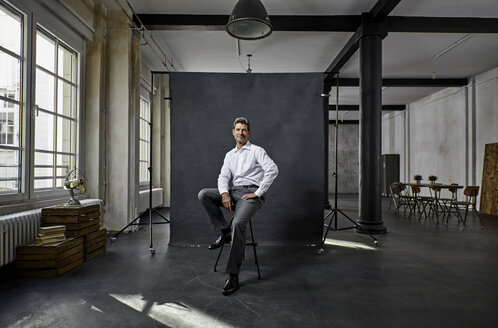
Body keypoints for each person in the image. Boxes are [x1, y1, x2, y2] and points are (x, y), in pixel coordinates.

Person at [198, 117, 278, 295]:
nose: (241, 132)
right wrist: (225, 193)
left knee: (238, 224)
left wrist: (258, 193)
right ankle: (224, 231)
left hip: (250, 195)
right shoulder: (230, 155)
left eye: (244, 130)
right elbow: (223, 176)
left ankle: (233, 275)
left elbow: (273, 169)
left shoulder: (257, 151)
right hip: (234, 192)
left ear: (248, 133)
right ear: (233, 132)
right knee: (204, 194)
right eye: (238, 129)